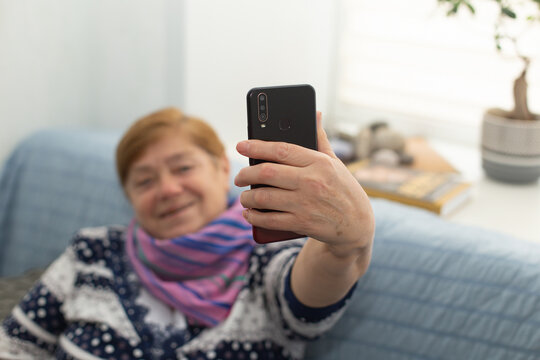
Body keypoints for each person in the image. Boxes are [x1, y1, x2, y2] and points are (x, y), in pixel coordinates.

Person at [0, 107, 374, 360]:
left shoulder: (268, 256)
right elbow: (16, 345)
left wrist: (347, 243)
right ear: (129, 196)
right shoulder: (92, 251)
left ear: (220, 167)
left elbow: (314, 288)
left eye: (182, 168)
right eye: (144, 180)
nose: (167, 189)